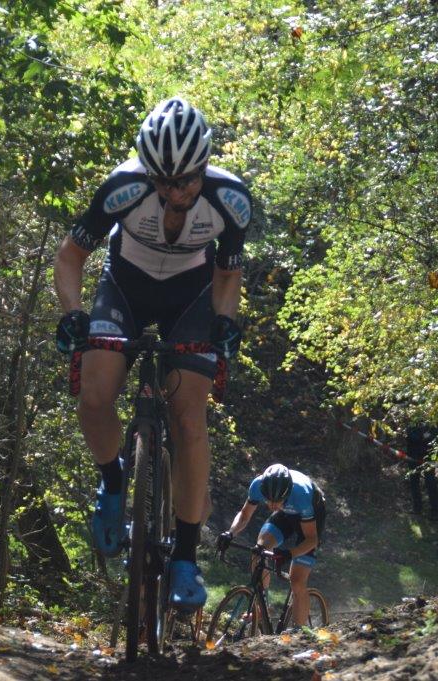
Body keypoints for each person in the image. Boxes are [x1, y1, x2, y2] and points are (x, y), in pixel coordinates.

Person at [53, 97, 259, 610]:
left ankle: (186, 556)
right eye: (163, 181)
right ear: (149, 171)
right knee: (96, 395)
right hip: (125, 286)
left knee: (190, 416)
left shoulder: (230, 200)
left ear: (203, 166)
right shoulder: (123, 187)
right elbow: (71, 254)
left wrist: (225, 324)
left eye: (186, 180)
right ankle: (114, 481)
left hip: (190, 297)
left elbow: (228, 274)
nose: (175, 192)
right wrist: (73, 312)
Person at [216, 464, 326, 628]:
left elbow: (311, 539)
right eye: (269, 500)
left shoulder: (301, 494)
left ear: (287, 493)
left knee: (297, 580)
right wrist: (230, 533)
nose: (272, 505)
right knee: (259, 550)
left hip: (310, 520)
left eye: (277, 500)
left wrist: (289, 554)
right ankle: (261, 607)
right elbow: (245, 515)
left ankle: (299, 633)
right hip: (285, 515)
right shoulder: (257, 486)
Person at [406, 423, 438, 520]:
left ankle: (435, 512)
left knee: (431, 484)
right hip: (413, 456)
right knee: (414, 482)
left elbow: (437, 437)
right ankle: (417, 509)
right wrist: (422, 437)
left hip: (428, 458)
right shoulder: (413, 422)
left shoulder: (433, 423)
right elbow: (410, 435)